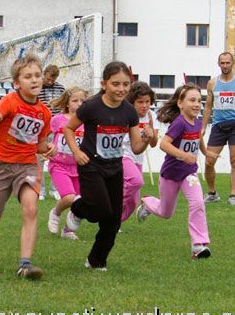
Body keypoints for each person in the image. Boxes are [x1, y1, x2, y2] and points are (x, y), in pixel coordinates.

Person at [63, 62, 149, 271]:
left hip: (114, 168)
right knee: (100, 209)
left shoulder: (129, 112)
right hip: (91, 164)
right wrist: (77, 152)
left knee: (113, 220)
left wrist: (147, 139)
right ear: (104, 84)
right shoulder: (91, 106)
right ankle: (77, 208)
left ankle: (96, 261)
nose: (121, 89)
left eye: (126, 84)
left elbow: (136, 147)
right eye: (115, 84)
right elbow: (68, 128)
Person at [0, 53, 55, 279]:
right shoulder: (10, 101)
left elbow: (39, 145)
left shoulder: (45, 113)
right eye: (28, 76)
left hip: (27, 165)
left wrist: (49, 148)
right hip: (1, 165)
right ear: (17, 83)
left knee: (31, 208)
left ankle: (25, 265)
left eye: (37, 75)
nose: (34, 80)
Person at [136, 84, 219, 259]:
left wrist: (206, 153)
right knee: (166, 212)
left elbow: (198, 138)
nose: (196, 104)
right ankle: (148, 203)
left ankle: (199, 245)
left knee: (198, 203)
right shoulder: (179, 123)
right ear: (180, 104)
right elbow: (164, 144)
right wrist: (183, 155)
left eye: (199, 101)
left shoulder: (197, 123)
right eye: (192, 100)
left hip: (189, 174)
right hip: (171, 175)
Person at [201, 52, 235, 206]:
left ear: (232, 63)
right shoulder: (212, 83)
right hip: (218, 125)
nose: (225, 66)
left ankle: (232, 195)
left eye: (227, 63)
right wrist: (203, 127)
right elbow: (208, 106)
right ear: (218, 64)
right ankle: (212, 193)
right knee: (209, 161)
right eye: (222, 63)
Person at [46, 87, 88, 240]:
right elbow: (43, 136)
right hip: (59, 165)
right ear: (67, 103)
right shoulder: (58, 120)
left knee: (80, 201)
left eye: (82, 101)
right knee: (69, 197)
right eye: (75, 101)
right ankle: (55, 213)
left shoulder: (88, 123)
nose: (79, 104)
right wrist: (46, 147)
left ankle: (67, 230)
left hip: (79, 168)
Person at [120, 82, 159, 223]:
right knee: (136, 181)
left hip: (138, 159)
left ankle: (114, 223)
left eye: (147, 102)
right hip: (123, 155)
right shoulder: (125, 114)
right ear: (132, 102)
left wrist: (151, 133)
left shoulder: (151, 116)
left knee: (133, 202)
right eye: (140, 102)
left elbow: (153, 144)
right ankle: (110, 204)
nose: (144, 105)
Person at [37, 65, 66, 200]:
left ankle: (55, 189)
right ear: (44, 74)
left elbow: (64, 105)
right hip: (41, 128)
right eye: (48, 78)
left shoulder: (60, 88)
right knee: (39, 160)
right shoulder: (37, 87)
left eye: (53, 80)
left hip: (56, 128)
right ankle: (40, 190)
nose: (50, 82)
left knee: (57, 158)